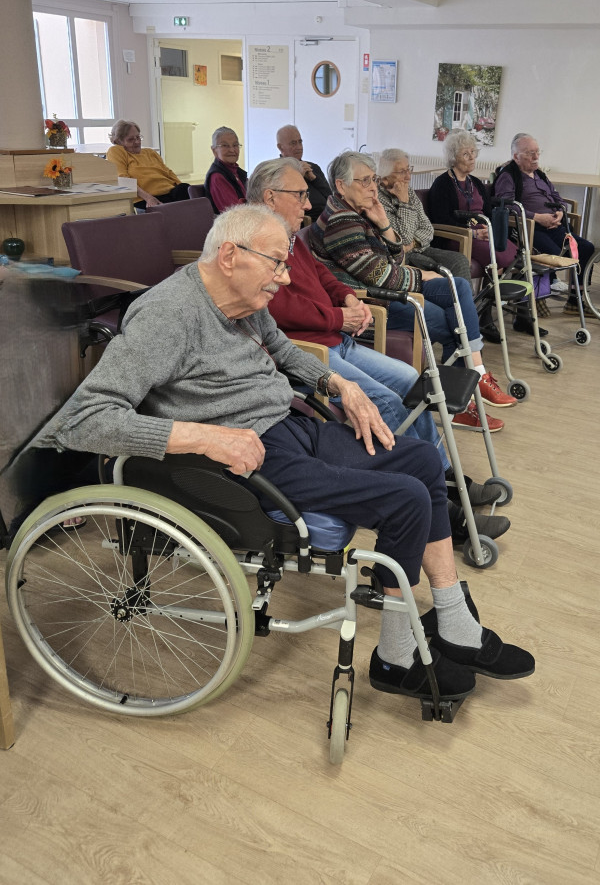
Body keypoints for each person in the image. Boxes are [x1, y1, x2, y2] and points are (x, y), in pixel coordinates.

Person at [29, 204, 534, 701]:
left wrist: (338, 383)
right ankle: (396, 657)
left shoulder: (244, 301)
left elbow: (286, 349)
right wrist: (206, 437)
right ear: (230, 255)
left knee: (422, 462)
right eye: (276, 262)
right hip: (244, 460)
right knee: (404, 498)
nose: (285, 276)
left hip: (291, 424)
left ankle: (450, 619)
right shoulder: (167, 316)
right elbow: (83, 421)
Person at [247, 157, 508, 530]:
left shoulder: (287, 233)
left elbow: (321, 273)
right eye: (300, 195)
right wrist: (340, 316)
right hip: (308, 351)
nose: (308, 204)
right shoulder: (257, 240)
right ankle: (438, 505)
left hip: (336, 338)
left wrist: (347, 299)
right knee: (384, 400)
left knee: (409, 380)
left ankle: (447, 478)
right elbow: (281, 309)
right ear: (270, 197)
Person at [310, 152, 518, 429]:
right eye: (364, 181)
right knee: (451, 322)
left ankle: (474, 377)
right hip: (371, 305)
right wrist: (421, 278)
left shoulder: (359, 212)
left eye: (373, 179)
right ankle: (465, 396)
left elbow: (396, 259)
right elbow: (378, 275)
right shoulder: (341, 222)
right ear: (340, 185)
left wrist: (384, 224)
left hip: (382, 292)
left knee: (457, 287)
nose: (373, 187)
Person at [427, 130, 518, 339]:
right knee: (500, 257)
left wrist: (488, 229)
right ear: (453, 157)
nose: (472, 158)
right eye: (466, 154)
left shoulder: (475, 182)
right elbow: (440, 220)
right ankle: (482, 313)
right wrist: (473, 234)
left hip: (480, 234)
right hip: (457, 237)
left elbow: (486, 213)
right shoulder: (442, 184)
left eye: (473, 153)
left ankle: (484, 311)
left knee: (512, 253)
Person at [493, 134, 595, 317]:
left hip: (555, 226)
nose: (536, 157)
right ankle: (536, 298)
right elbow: (506, 206)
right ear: (516, 156)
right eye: (530, 153)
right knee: (553, 255)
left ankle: (575, 300)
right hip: (529, 229)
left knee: (586, 248)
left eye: (537, 152)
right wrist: (538, 217)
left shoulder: (540, 174)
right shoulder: (508, 176)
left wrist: (561, 212)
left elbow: (557, 197)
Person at [376, 148, 471, 281]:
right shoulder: (378, 200)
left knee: (459, 260)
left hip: (420, 248)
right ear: (385, 176)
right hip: (400, 258)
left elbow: (427, 228)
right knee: (441, 271)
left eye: (409, 169)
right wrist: (403, 203)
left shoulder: (409, 191)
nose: (408, 176)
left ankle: (464, 301)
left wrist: (413, 243)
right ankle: (452, 300)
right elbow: (404, 238)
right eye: (402, 172)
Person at [106, 120, 189, 209]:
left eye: (138, 137)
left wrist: (186, 189)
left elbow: (169, 173)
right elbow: (123, 179)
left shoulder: (150, 152)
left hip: (171, 192)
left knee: (187, 190)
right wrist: (149, 198)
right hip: (145, 198)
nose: (137, 142)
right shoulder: (117, 151)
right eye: (131, 139)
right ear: (119, 141)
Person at [276, 124, 331, 220]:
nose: (299, 147)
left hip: (326, 218)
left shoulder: (313, 167)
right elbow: (284, 204)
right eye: (293, 143)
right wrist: (298, 177)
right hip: (303, 222)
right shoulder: (277, 170)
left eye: (300, 142)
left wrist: (314, 179)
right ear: (281, 147)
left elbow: (331, 198)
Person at [205, 126, 247, 213]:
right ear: (214, 150)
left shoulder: (237, 172)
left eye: (235, 145)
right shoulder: (217, 177)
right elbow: (234, 213)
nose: (232, 150)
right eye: (225, 146)